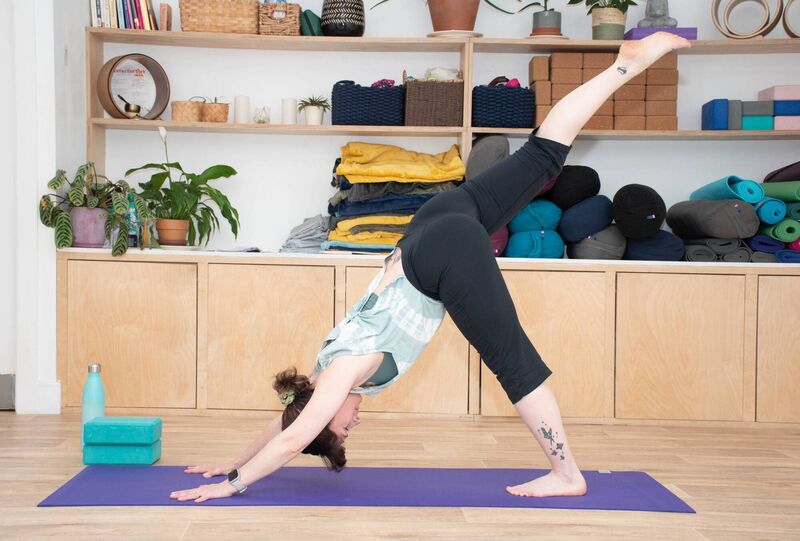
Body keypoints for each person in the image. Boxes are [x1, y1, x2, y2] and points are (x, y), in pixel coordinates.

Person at [170, 32, 691, 504]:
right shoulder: (322, 368)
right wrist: (230, 461)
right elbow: (286, 418)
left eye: (342, 428)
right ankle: (626, 65)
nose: (352, 424)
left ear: (325, 413)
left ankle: (566, 473)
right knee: (544, 155)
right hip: (430, 222)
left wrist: (235, 485)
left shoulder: (345, 374)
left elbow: (293, 434)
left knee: (513, 361)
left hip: (440, 256)